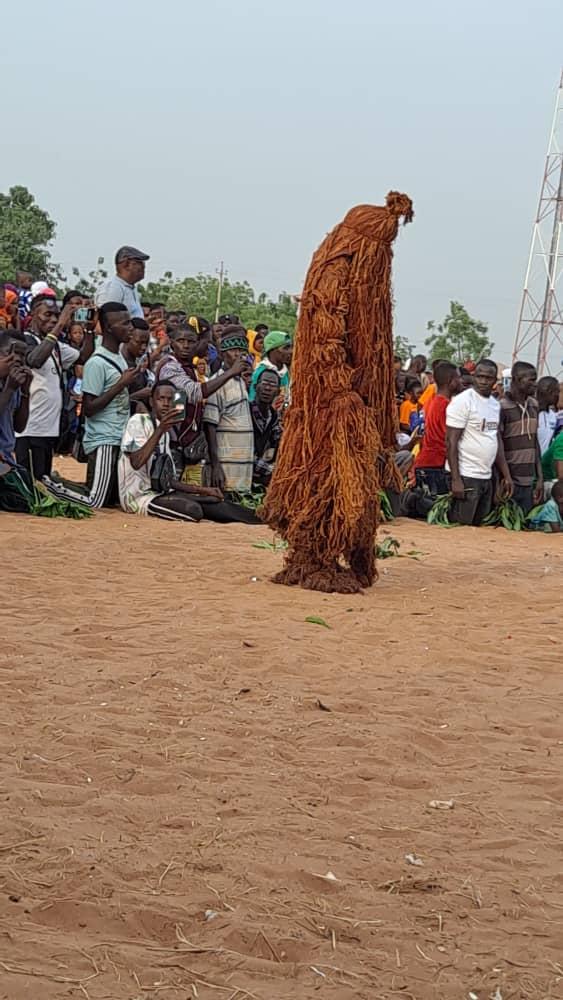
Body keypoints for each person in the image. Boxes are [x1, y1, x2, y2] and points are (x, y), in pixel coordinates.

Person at [44, 303, 141, 508]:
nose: (130, 327)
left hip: (116, 436)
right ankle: (49, 484)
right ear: (107, 328)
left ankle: (55, 483)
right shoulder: (97, 362)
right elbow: (88, 408)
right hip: (103, 438)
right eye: (124, 323)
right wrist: (121, 384)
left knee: (107, 497)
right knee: (96, 500)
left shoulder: (118, 358)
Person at [119, 381, 259, 524]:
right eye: (161, 399)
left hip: (161, 492)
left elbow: (168, 481)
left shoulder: (165, 433)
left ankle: (261, 518)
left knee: (213, 501)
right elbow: (136, 462)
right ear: (151, 401)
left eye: (170, 399)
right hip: (139, 498)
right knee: (193, 510)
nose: (166, 404)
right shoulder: (139, 421)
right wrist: (160, 429)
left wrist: (204, 490)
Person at [15, 298, 94, 480]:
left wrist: (89, 329)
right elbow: (34, 360)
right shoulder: (26, 339)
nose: (52, 320)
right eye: (47, 315)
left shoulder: (55, 345)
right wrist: (59, 325)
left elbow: (82, 357)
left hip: (49, 428)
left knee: (42, 481)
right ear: (32, 315)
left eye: (56, 316)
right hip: (30, 428)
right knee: (30, 485)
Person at [446, 358, 510, 526]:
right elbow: (451, 442)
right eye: (479, 376)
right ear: (474, 376)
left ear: (495, 381)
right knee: (462, 529)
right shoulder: (462, 402)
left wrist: (506, 475)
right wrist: (456, 479)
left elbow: (496, 439)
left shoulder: (495, 405)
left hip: (485, 477)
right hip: (466, 475)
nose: (483, 381)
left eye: (488, 378)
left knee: (478, 529)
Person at [203, 327, 254, 493]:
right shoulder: (217, 383)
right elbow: (210, 426)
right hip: (226, 465)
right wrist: (216, 465)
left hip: (242, 465)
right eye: (233, 351)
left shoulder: (241, 382)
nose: (239, 355)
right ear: (223, 354)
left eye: (242, 351)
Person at [497, 361, 543, 514]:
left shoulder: (534, 405)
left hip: (529, 480)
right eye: (531, 380)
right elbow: (498, 444)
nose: (534, 384)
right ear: (516, 379)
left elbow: (534, 443)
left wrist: (539, 478)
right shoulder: (501, 407)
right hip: (509, 480)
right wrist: (506, 477)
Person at [414, 361, 461, 496]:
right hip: (436, 465)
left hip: (427, 461)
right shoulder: (447, 406)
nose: (461, 381)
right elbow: (449, 439)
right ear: (450, 381)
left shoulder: (432, 401)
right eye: (458, 378)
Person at [95, 246, 149, 319]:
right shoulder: (113, 287)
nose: (144, 266)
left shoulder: (130, 287)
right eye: (139, 262)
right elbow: (106, 321)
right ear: (126, 264)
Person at [251, 368, 282, 486]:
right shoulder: (245, 412)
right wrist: (272, 471)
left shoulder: (273, 417)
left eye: (272, 385)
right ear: (255, 387)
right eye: (264, 384)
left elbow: (278, 442)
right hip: (244, 470)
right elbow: (246, 454)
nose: (268, 388)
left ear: (278, 392)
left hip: (261, 473)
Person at [248, 331, 291, 403]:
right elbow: (252, 399)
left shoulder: (285, 371)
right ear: (272, 350)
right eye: (285, 348)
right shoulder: (260, 372)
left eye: (290, 347)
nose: (290, 351)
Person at [121, 317, 153, 413]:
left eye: (146, 343)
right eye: (139, 342)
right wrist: (139, 395)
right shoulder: (119, 365)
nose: (143, 347)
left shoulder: (138, 364)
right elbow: (113, 403)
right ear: (128, 337)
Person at [537, 376, 560, 455]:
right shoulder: (532, 414)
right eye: (556, 391)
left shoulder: (554, 416)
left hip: (547, 464)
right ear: (547, 391)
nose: (558, 395)